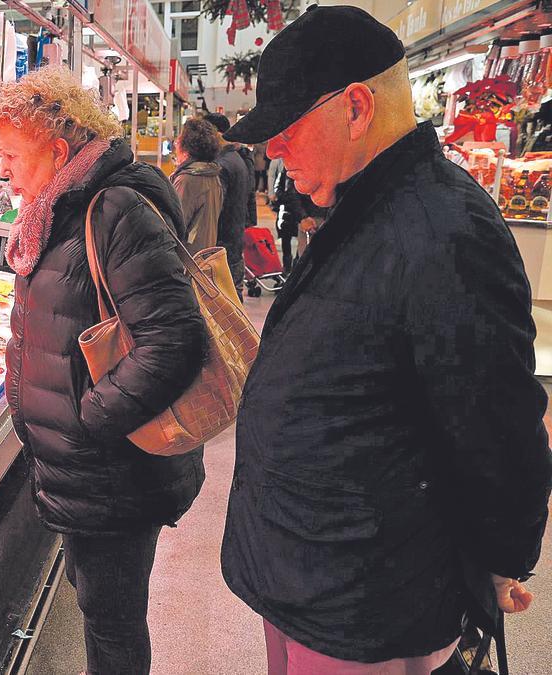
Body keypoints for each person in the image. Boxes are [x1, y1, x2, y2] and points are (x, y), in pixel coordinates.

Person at [221, 6, 552, 674]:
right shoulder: (365, 202)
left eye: (287, 127)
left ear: (357, 107)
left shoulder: (446, 230)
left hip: (364, 600)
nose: (272, 149)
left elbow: (500, 430)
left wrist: (497, 560)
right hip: (309, 572)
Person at [0, 68, 206, 675]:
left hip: (115, 471)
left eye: (11, 154)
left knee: (113, 626)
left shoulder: (114, 209)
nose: (2, 167)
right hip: (86, 471)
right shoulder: (58, 206)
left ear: (57, 152)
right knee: (100, 608)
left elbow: (175, 338)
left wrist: (91, 418)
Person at [204, 112, 251, 299]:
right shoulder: (236, 159)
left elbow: (216, 208)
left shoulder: (221, 165)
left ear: (215, 133)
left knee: (225, 303)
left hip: (223, 241)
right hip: (234, 238)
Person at [170, 117, 224, 253]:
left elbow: (174, 225)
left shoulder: (188, 179)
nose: (176, 143)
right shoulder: (212, 174)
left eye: (179, 139)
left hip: (187, 259)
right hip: (203, 254)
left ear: (186, 147)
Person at [271, 169, 325, 274]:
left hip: (311, 215)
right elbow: (289, 192)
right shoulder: (294, 165)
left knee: (307, 258)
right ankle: (289, 272)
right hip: (303, 215)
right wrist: (303, 217)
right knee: (301, 257)